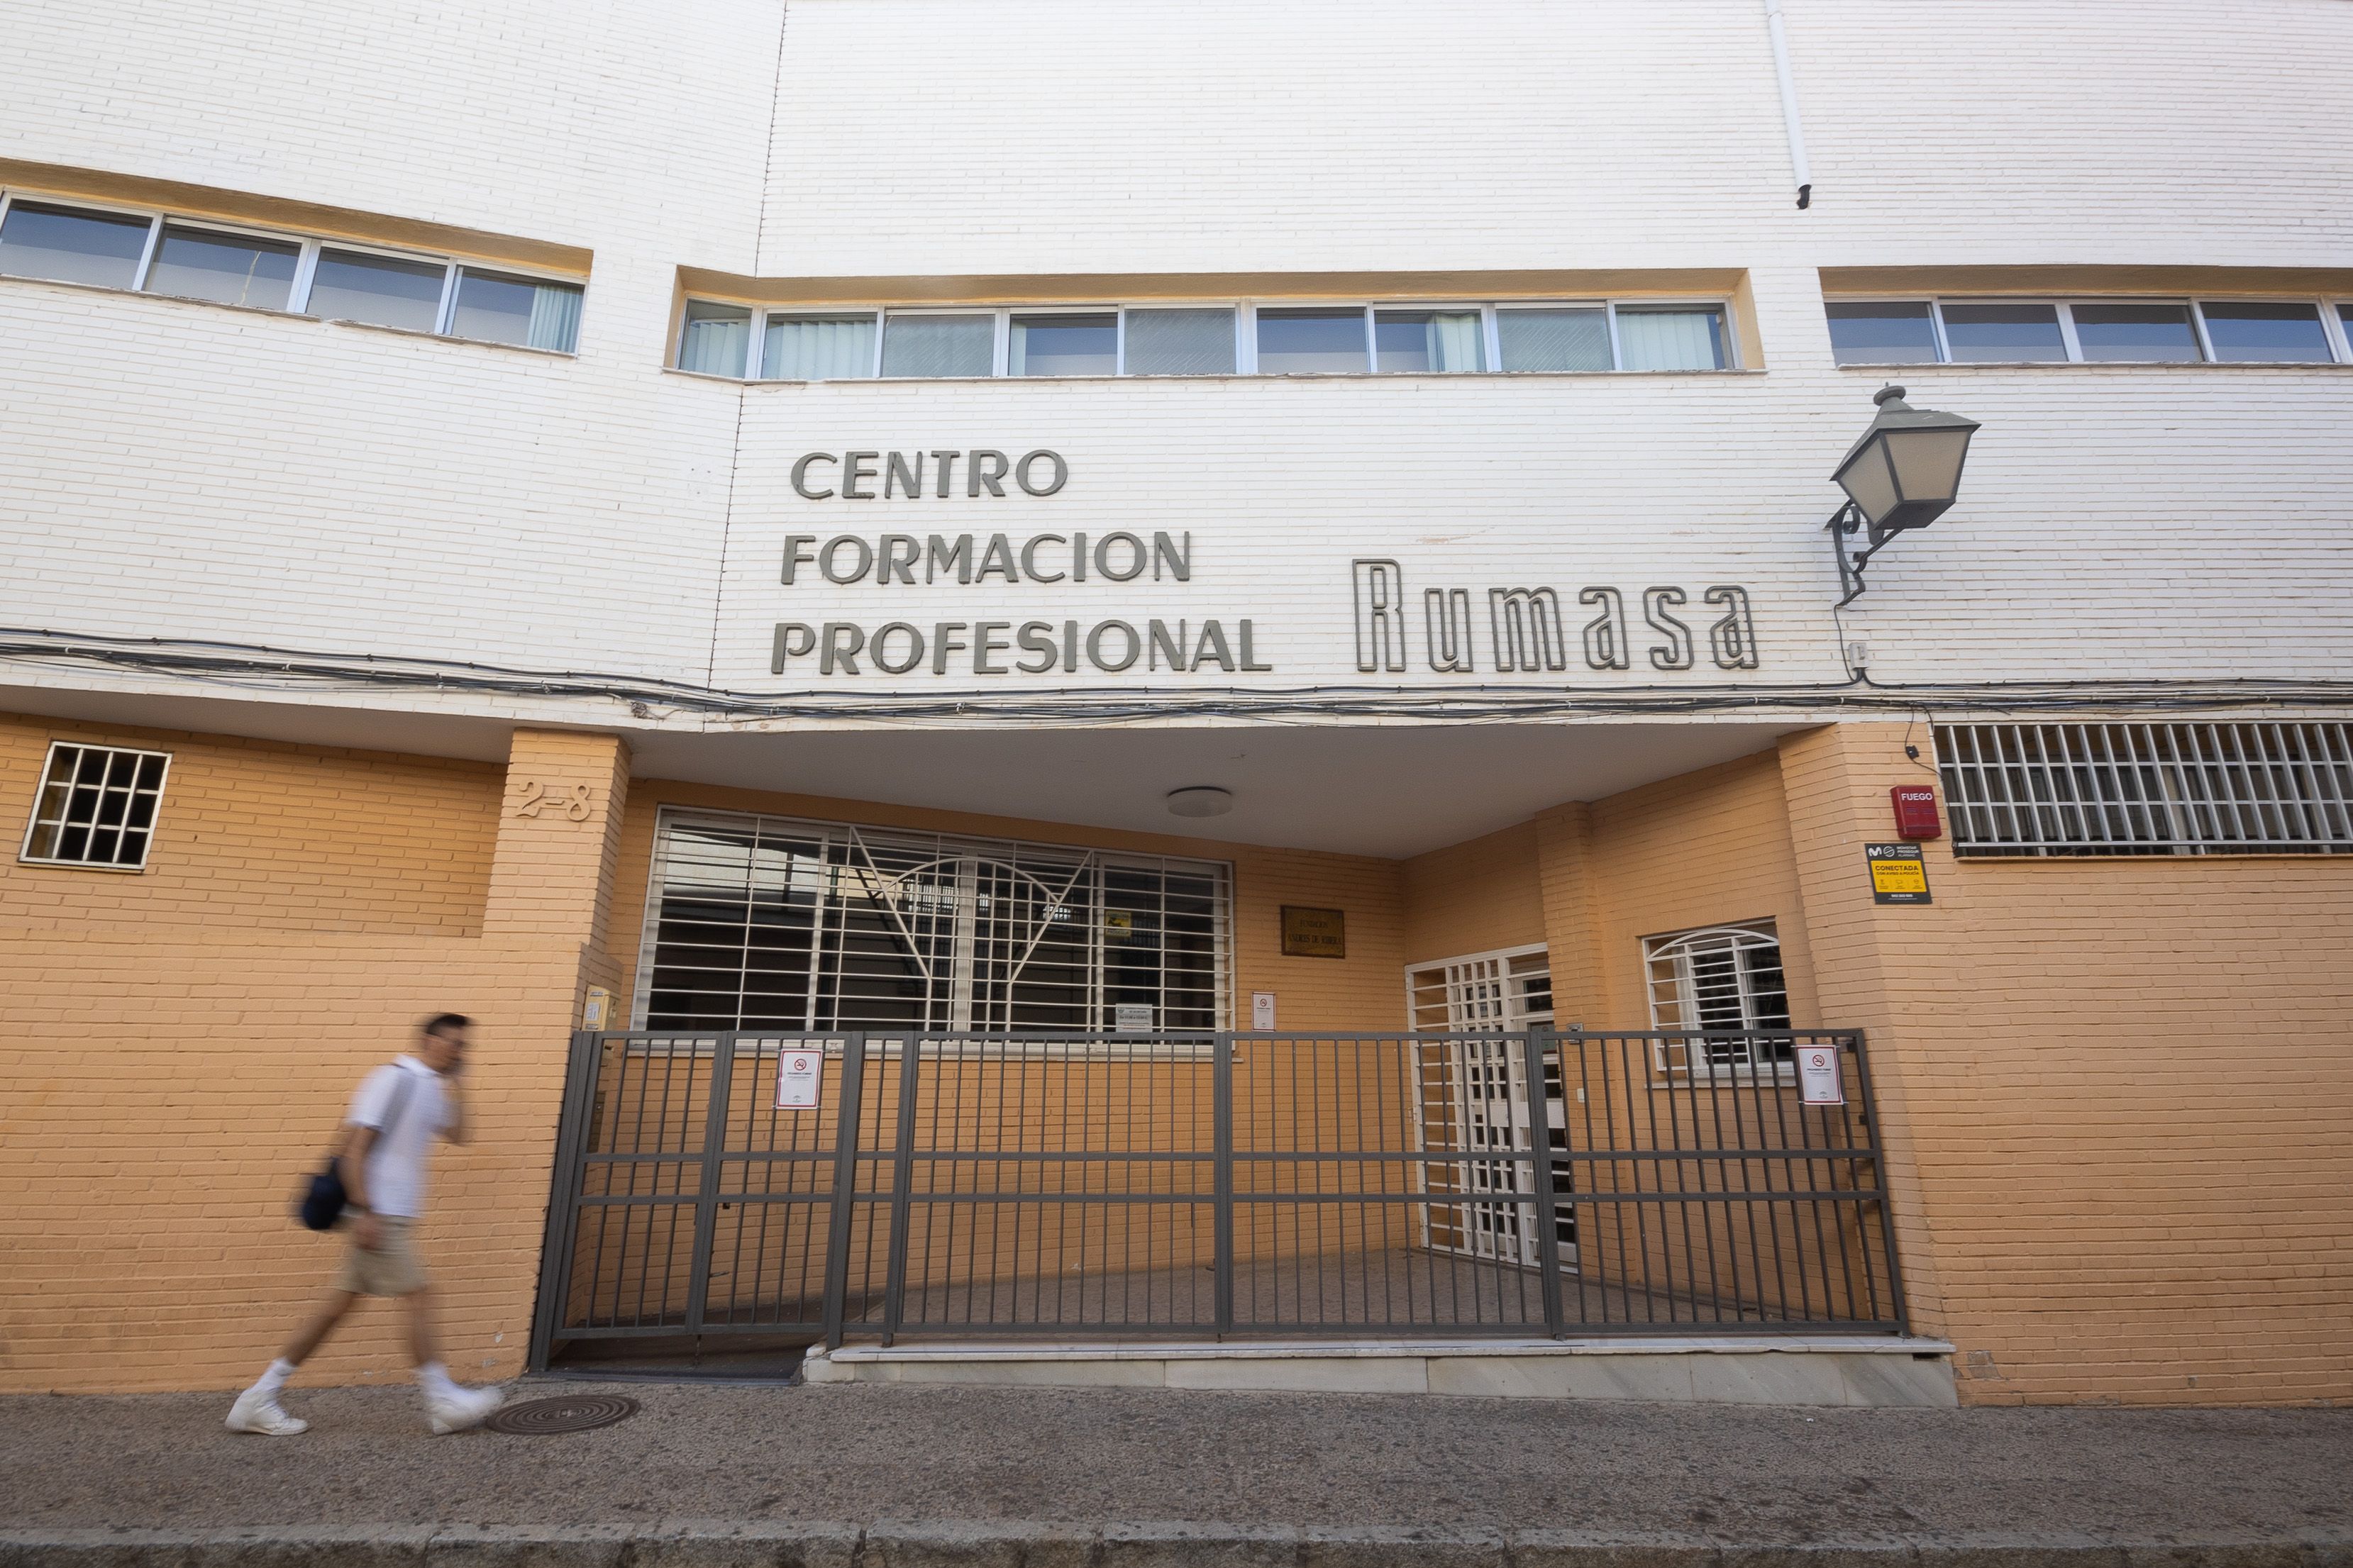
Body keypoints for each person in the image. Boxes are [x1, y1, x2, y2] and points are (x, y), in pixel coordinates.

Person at [226, 1013, 506, 1436]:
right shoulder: (392, 1079)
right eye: (453, 1043)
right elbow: (354, 1148)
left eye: (464, 1046)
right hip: (379, 1213)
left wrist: (460, 1082)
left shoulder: (430, 1088)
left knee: (335, 1309)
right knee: (420, 1295)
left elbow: (461, 1134)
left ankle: (259, 1397)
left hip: (392, 1214)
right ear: (428, 1041)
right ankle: (441, 1398)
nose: (459, 1051)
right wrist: (363, 1210)